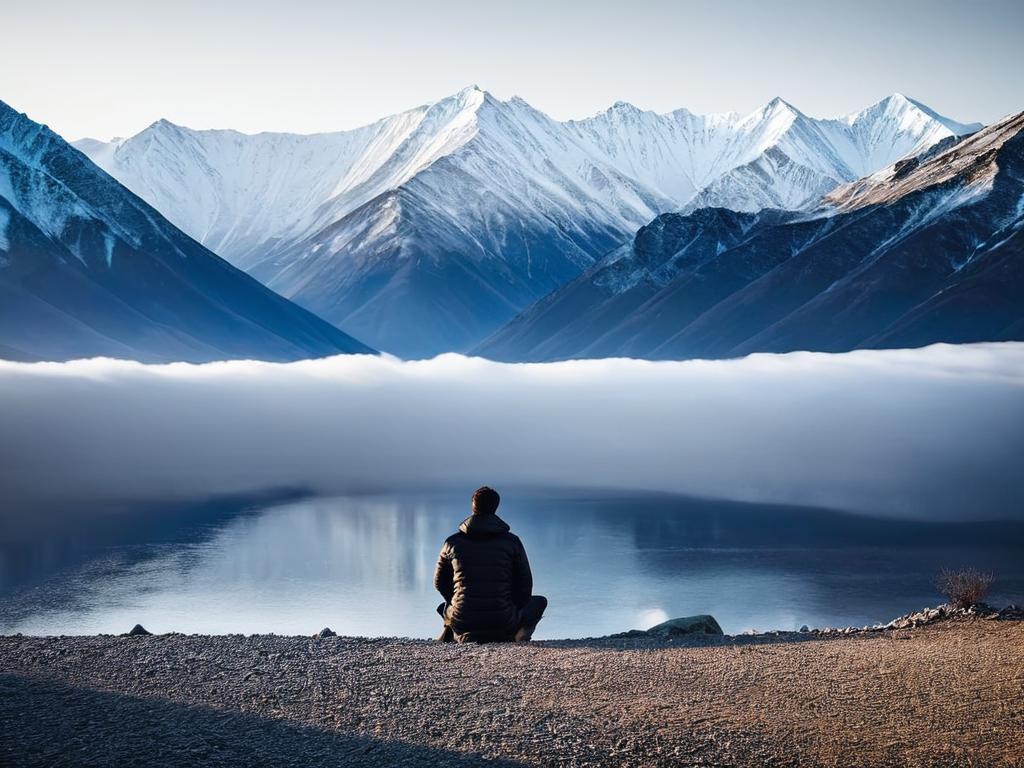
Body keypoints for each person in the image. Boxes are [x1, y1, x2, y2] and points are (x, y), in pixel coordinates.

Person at [433, 487, 547, 643]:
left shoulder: (452, 542)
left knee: (445, 606)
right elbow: (525, 585)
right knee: (539, 602)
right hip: (503, 622)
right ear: (496, 507)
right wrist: (511, 606)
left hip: (463, 621)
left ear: (473, 505)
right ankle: (520, 636)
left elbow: (439, 582)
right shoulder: (512, 542)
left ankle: (452, 629)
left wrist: (455, 599)